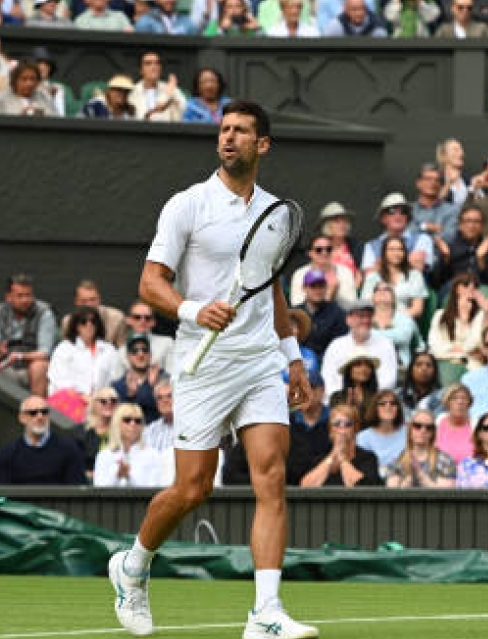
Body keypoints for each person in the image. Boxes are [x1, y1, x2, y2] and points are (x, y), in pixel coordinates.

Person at [109, 101, 318, 639]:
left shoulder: (274, 212)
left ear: (262, 144)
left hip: (259, 361)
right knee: (193, 488)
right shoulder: (187, 205)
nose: (229, 137)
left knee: (271, 476)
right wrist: (192, 309)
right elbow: (150, 282)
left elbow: (269, 288)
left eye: (241, 131)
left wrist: (293, 358)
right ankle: (132, 565)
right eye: (224, 129)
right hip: (203, 363)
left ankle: (265, 612)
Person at [0, 395, 87, 485]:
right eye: (33, 413)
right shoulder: (8, 453)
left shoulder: (69, 449)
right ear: (22, 418)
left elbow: (78, 488)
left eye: (44, 412)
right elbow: (2, 491)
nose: (40, 416)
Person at [320, 300, 398, 400]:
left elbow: (389, 380)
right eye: (361, 316)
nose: (366, 320)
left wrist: (365, 398)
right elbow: (327, 379)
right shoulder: (336, 346)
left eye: (369, 316)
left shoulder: (385, 344)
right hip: (340, 402)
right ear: (348, 320)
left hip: (375, 401)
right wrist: (344, 398)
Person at [48, 306, 119, 407]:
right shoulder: (64, 348)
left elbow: (115, 378)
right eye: (83, 321)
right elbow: (60, 381)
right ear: (76, 326)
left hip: (100, 402)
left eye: (93, 321)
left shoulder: (109, 349)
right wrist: (83, 397)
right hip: (69, 401)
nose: (89, 325)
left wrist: (99, 399)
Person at [434, 204, 488, 289]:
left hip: (482, 290)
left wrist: (481, 259)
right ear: (460, 225)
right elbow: (435, 282)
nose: (471, 226)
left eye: (476, 221)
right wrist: (445, 257)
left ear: (482, 226)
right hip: (453, 290)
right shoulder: (448, 246)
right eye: (468, 221)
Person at [93, 403, 162, 487]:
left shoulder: (152, 455)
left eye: (138, 421)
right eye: (127, 420)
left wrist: (129, 477)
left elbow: (153, 489)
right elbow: (99, 489)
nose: (133, 424)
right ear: (117, 423)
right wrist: (117, 476)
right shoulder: (104, 455)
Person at [428, 273, 488, 367]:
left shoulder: (480, 315)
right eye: (466, 284)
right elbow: (434, 342)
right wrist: (454, 349)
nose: (471, 288)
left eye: (475, 286)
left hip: (470, 363)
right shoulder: (440, 315)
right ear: (457, 289)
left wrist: (465, 321)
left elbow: (476, 342)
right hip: (444, 361)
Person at [384, 409, 456, 487]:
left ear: (433, 432)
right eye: (417, 426)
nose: (423, 430)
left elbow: (445, 493)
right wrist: (409, 479)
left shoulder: (444, 460)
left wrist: (421, 475)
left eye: (429, 427)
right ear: (410, 430)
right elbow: (392, 492)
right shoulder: (398, 459)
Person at [360, 235, 424, 316]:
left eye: (400, 249)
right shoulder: (372, 277)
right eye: (391, 249)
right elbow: (366, 306)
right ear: (384, 252)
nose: (396, 253)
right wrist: (382, 318)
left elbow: (417, 309)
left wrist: (395, 318)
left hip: (404, 318)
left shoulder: (415, 275)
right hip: (376, 318)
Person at [289, 235, 357, 309]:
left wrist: (336, 294)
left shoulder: (345, 272)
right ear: (310, 253)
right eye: (318, 250)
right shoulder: (300, 274)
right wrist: (329, 294)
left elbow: (351, 306)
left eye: (328, 249)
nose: (324, 253)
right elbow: (297, 307)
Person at [368, 282, 422, 371]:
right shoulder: (364, 318)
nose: (381, 292)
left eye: (387, 289)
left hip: (400, 367)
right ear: (372, 297)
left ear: (393, 297)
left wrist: (369, 335)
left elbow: (403, 337)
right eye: (377, 290)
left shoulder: (405, 318)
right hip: (370, 367)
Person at [294, 268, 348, 357]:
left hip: (328, 360)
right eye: (313, 286)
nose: (317, 290)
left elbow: (341, 345)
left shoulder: (337, 313)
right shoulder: (295, 313)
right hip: (300, 360)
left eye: (321, 286)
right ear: (304, 288)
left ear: (326, 287)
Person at [355, 390, 408, 480]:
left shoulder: (409, 433)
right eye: (382, 404)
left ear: (398, 408)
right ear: (375, 409)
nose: (388, 406)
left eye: (393, 403)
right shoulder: (362, 438)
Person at [111, 334, 161, 422]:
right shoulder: (117, 386)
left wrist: (151, 386)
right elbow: (122, 417)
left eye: (145, 350)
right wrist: (130, 395)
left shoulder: (163, 379)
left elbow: (164, 411)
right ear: (128, 357)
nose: (140, 354)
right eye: (134, 351)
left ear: (150, 355)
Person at [411, 163, 460, 245]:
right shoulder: (409, 210)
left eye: (437, 180)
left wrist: (418, 228)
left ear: (441, 185)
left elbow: (449, 237)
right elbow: (406, 234)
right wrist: (425, 226)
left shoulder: (452, 210)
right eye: (428, 179)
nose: (433, 183)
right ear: (418, 183)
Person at [129, 50, 185, 122]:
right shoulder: (132, 92)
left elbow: (183, 113)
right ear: (141, 70)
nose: (154, 67)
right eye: (148, 63)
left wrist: (169, 94)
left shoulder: (172, 89)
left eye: (157, 63)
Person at [77, 386, 120, 477]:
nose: (109, 404)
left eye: (113, 401)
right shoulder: (81, 431)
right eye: (103, 401)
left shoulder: (122, 430)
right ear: (94, 405)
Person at [435, 383, 474, 463]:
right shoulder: (438, 422)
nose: (460, 402)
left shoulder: (475, 425)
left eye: (464, 398)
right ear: (447, 402)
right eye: (454, 398)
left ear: (469, 403)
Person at [400, 350, 442, 416]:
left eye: (428, 365)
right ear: (411, 369)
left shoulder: (442, 397)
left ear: (434, 371)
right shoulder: (398, 396)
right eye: (419, 364)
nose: (424, 368)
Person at [144, 382, 176, 451]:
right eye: (159, 398)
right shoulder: (150, 430)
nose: (165, 400)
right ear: (156, 404)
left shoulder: (187, 428)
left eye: (169, 396)